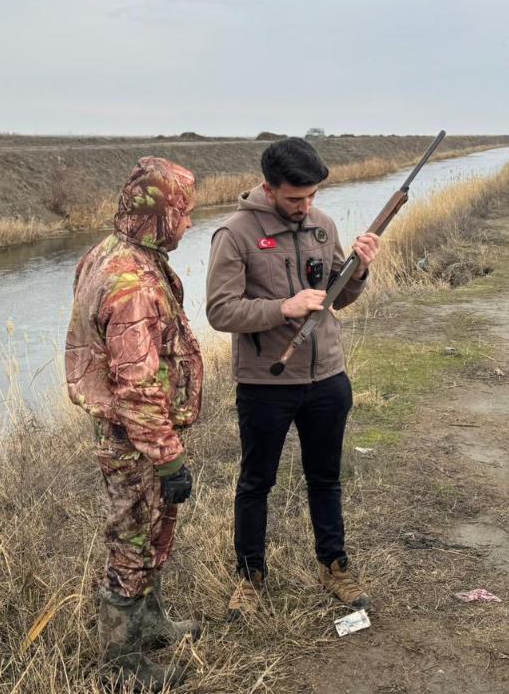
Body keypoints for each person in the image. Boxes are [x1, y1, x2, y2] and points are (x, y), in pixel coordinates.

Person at [205, 137, 380, 621]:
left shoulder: (323, 227)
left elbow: (338, 298)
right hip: (265, 384)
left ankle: (334, 566)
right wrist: (283, 307)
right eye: (294, 199)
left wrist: (360, 271)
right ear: (268, 188)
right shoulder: (235, 233)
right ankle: (249, 576)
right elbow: (220, 311)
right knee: (256, 482)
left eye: (312, 197)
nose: (305, 208)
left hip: (327, 379)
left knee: (325, 477)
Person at [65, 156, 203, 691]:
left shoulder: (113, 251)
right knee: (133, 538)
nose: (189, 223)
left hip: (134, 433)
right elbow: (138, 387)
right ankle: (124, 664)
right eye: (184, 213)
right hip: (135, 439)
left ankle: (152, 622)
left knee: (151, 530)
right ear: (160, 213)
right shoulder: (132, 284)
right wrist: (169, 457)